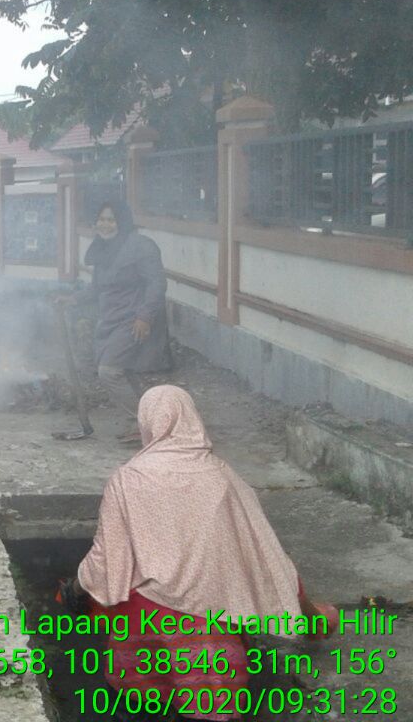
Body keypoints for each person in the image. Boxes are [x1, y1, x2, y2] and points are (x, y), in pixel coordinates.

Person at [60, 385, 337, 722]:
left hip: (141, 633)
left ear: (147, 422)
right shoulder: (223, 477)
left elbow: (106, 562)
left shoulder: (127, 479)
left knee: (139, 705)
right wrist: (315, 618)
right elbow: (265, 555)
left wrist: (75, 590)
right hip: (209, 644)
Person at [68, 201, 170, 442]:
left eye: (111, 220)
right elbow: (97, 288)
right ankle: (152, 423)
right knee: (125, 372)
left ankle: (146, 425)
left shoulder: (141, 246)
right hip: (111, 319)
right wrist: (72, 299)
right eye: (101, 219)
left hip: (134, 318)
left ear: (122, 221)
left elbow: (157, 284)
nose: (105, 225)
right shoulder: (103, 248)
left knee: (109, 371)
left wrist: (145, 316)